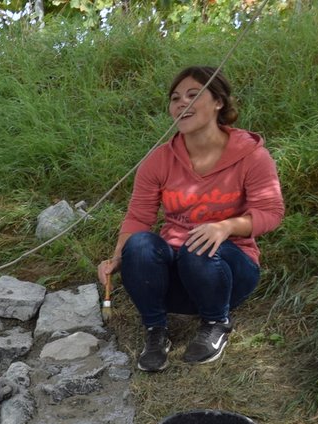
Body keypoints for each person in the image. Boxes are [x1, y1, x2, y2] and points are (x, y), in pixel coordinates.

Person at [97, 66, 284, 373]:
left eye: (193, 95)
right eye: (175, 98)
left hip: (228, 274)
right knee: (140, 245)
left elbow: (271, 213)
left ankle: (216, 322)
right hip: (174, 277)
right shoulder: (158, 160)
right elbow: (138, 217)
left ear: (218, 102)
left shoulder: (251, 155)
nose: (181, 103)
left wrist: (226, 227)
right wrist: (117, 258)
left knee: (198, 245)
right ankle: (155, 331)